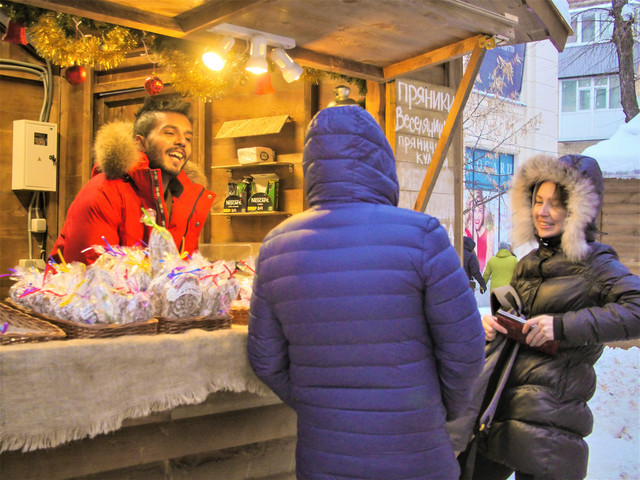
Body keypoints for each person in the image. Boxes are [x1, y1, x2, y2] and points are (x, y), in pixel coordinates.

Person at [247, 105, 485, 480]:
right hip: (416, 455)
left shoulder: (277, 246)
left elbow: (265, 359)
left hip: (324, 459)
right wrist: (443, 409)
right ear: (382, 161)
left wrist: (319, 406)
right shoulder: (422, 235)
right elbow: (466, 349)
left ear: (313, 167)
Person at [474, 154, 640, 480]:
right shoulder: (529, 262)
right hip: (502, 406)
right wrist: (495, 327)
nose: (543, 212)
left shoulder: (595, 263)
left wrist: (561, 326)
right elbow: (515, 322)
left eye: (556, 203)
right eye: (538, 201)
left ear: (579, 209)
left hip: (550, 418)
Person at [50, 95, 214, 264]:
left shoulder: (183, 198)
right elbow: (90, 276)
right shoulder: (103, 191)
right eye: (170, 133)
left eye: (188, 138)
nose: (182, 142)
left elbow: (181, 269)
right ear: (140, 143)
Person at [464, 188, 495, 271]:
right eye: (474, 210)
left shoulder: (487, 233)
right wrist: (474, 238)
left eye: (480, 211)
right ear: (469, 212)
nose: (477, 216)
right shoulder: (465, 233)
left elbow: (488, 267)